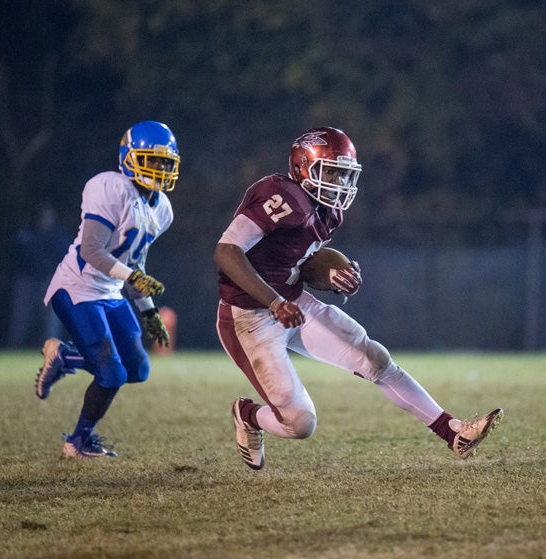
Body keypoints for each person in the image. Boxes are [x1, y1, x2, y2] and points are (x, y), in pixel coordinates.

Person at [214, 126, 503, 470]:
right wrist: (275, 302)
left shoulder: (329, 211)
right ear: (303, 167)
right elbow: (227, 252)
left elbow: (297, 262)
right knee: (301, 423)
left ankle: (453, 432)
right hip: (249, 317)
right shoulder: (280, 196)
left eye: (344, 174)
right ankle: (247, 414)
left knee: (374, 359)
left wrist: (332, 275)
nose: (339, 181)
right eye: (331, 171)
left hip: (294, 304)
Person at [34, 120, 179, 458]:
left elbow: (136, 265)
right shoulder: (109, 187)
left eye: (164, 162)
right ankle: (78, 440)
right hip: (77, 288)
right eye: (151, 160)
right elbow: (91, 251)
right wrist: (133, 279)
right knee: (111, 372)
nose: (158, 168)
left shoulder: (163, 210)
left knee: (138, 369)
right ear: (129, 157)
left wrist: (149, 311)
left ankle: (64, 356)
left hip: (110, 293)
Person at [7, 204, 71, 347]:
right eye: (42, 216)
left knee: (51, 319)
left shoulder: (58, 236)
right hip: (26, 280)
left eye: (47, 216)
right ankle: (14, 347)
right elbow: (14, 256)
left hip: (49, 281)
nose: (44, 219)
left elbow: (67, 259)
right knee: (20, 318)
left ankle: (51, 347)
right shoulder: (26, 234)